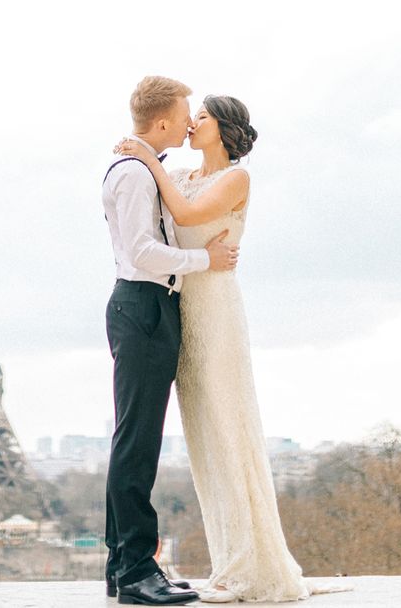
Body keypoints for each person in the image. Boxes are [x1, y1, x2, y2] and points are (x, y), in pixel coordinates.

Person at [115, 95, 351, 603]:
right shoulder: (177, 173)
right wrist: (139, 160)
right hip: (180, 307)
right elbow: (148, 223)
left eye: (200, 116)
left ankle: (247, 566)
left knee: (228, 430)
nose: (191, 122)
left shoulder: (232, 179)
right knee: (203, 439)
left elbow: (185, 212)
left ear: (221, 129)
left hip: (216, 312)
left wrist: (145, 158)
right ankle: (228, 560)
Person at [102, 76, 239, 605]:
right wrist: (206, 261)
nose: (189, 123)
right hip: (143, 304)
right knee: (137, 443)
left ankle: (124, 566)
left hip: (148, 306)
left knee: (135, 440)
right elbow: (141, 252)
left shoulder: (144, 169)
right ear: (162, 121)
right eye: (185, 114)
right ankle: (136, 569)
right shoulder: (135, 174)